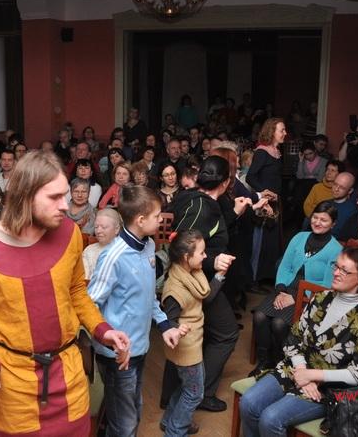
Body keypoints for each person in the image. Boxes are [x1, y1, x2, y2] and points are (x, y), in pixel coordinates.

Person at [0, 150, 130, 436]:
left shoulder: (70, 233)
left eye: (65, 195)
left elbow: (76, 291)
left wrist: (102, 330)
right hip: (9, 380)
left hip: (67, 375)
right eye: (54, 197)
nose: (65, 206)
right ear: (25, 196)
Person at [240, 247, 358, 437]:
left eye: (344, 270)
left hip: (328, 389)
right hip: (295, 370)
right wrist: (301, 371)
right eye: (336, 266)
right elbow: (293, 339)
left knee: (271, 419)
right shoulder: (320, 298)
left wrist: (312, 375)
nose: (336, 273)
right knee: (248, 402)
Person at [89, 185, 185, 436]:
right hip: (117, 354)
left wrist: (164, 325)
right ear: (141, 220)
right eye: (157, 215)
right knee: (125, 423)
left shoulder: (149, 246)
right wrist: (110, 340)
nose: (161, 220)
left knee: (132, 412)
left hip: (140, 346)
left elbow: (148, 293)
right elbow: (89, 305)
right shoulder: (113, 256)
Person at [170, 156, 253, 412]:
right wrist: (213, 260)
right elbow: (182, 245)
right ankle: (200, 393)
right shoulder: (202, 206)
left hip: (198, 281)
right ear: (226, 182)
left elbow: (209, 232)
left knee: (192, 335)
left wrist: (234, 214)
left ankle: (182, 395)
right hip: (196, 283)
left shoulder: (197, 199)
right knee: (226, 333)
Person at [249, 201, 342, 376]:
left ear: (333, 224)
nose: (317, 222)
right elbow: (285, 265)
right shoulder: (299, 237)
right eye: (315, 217)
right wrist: (281, 290)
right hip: (285, 288)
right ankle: (264, 362)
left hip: (310, 297)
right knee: (259, 316)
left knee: (279, 323)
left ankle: (280, 363)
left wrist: (297, 298)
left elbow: (327, 285)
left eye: (324, 220)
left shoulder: (336, 249)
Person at [160, 229, 225, 436]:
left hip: (192, 344)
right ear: (186, 257)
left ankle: (169, 420)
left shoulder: (189, 273)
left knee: (187, 387)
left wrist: (219, 276)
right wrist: (175, 327)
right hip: (185, 348)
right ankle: (175, 431)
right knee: (195, 393)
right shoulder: (174, 290)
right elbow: (168, 320)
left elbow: (204, 295)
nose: (206, 256)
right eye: (202, 253)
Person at [247, 118, 286, 283]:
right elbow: (250, 177)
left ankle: (268, 276)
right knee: (262, 242)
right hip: (264, 204)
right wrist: (264, 193)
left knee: (272, 242)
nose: (285, 133)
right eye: (281, 130)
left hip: (276, 202)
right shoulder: (262, 152)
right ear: (272, 132)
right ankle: (256, 279)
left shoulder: (277, 152)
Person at [82, 208, 121, 281]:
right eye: (96, 227)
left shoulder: (126, 251)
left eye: (104, 227)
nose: (98, 231)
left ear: (117, 229)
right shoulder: (89, 250)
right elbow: (85, 280)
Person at [328, 172, 358, 239]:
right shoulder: (325, 203)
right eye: (335, 184)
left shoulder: (353, 212)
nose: (336, 189)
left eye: (341, 187)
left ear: (350, 191)